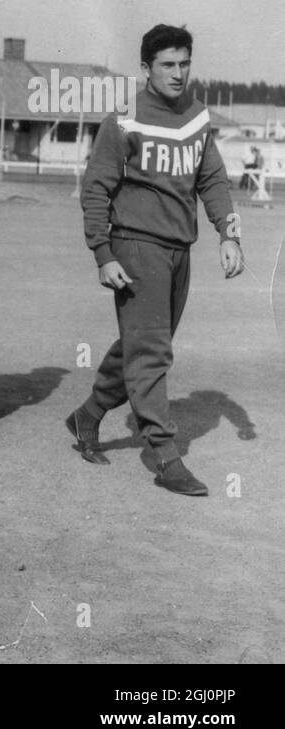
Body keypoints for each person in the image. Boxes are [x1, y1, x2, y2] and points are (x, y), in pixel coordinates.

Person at [68, 24, 243, 496]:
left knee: (140, 345)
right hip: (135, 244)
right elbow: (96, 189)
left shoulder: (196, 116)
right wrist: (102, 254)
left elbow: (213, 181)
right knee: (152, 353)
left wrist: (228, 234)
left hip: (178, 249)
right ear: (145, 68)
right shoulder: (123, 118)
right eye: (168, 64)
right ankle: (166, 457)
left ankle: (86, 417)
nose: (178, 73)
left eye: (184, 63)